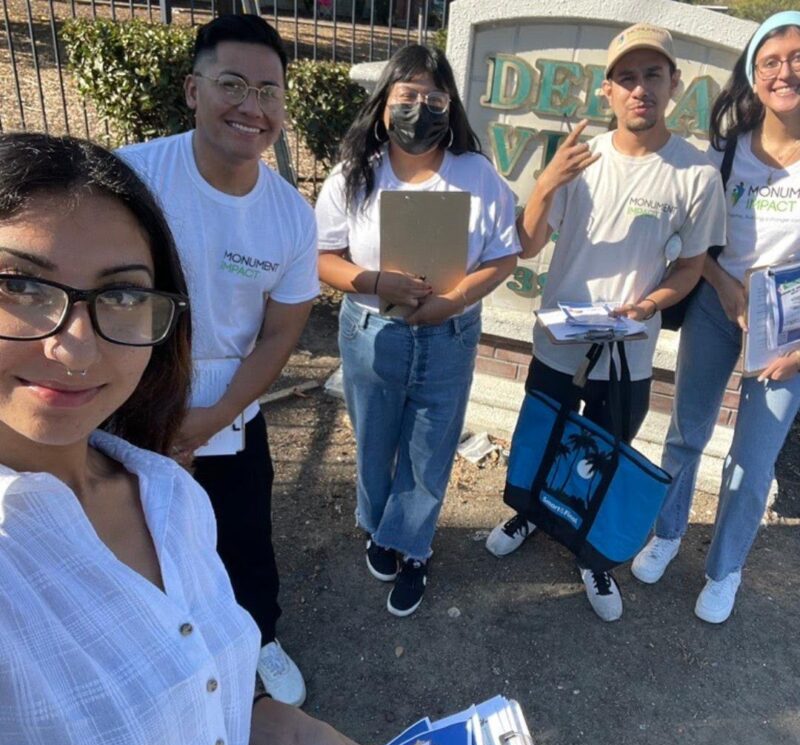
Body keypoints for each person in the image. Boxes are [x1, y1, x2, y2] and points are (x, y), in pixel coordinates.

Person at [0, 131, 369, 745]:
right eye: (21, 286)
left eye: (119, 296)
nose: (76, 349)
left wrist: (278, 728)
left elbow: (183, 677)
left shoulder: (168, 494)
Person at [485, 23, 727, 622]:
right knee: (545, 436)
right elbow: (529, 240)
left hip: (629, 351)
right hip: (561, 342)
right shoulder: (579, 159)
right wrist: (545, 182)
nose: (639, 88)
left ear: (673, 84)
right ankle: (531, 515)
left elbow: (692, 263)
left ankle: (591, 556)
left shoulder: (694, 174)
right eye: (626, 78)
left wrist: (650, 305)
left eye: (652, 75)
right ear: (608, 92)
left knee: (606, 451)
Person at [119, 14, 316, 705]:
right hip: (129, 395)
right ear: (192, 90)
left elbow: (279, 334)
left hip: (232, 403)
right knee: (132, 538)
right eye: (232, 84)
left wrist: (208, 420)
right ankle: (153, 652)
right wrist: (156, 418)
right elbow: (107, 300)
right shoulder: (133, 176)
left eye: (268, 91)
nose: (250, 106)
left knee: (244, 540)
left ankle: (260, 639)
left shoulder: (291, 214)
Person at [315, 44, 520, 617]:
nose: (420, 109)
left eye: (435, 98)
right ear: (383, 104)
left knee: (429, 455)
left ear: (450, 107)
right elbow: (322, 255)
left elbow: (504, 256)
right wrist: (373, 280)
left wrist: (453, 299)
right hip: (371, 330)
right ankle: (381, 528)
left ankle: (413, 548)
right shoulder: (356, 172)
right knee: (375, 443)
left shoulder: (475, 174)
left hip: (447, 338)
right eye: (407, 96)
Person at [632, 12, 800, 623]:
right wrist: (727, 291)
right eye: (772, 61)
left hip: (790, 332)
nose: (786, 71)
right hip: (713, 303)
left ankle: (725, 568)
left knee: (752, 461)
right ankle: (667, 532)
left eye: (798, 58)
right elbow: (695, 243)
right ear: (754, 77)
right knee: (686, 433)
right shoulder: (725, 154)